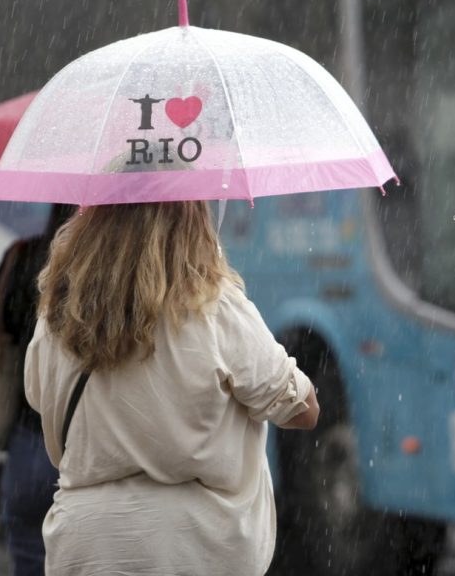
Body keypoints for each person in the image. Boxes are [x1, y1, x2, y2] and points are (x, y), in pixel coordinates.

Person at [24, 201, 320, 575]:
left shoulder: (59, 316)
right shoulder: (214, 308)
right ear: (192, 226)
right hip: (194, 545)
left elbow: (38, 395)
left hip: (87, 545)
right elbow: (302, 409)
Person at [0, 204, 77, 576]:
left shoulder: (22, 256)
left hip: (27, 444)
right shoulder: (99, 262)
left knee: (29, 559)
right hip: (80, 450)